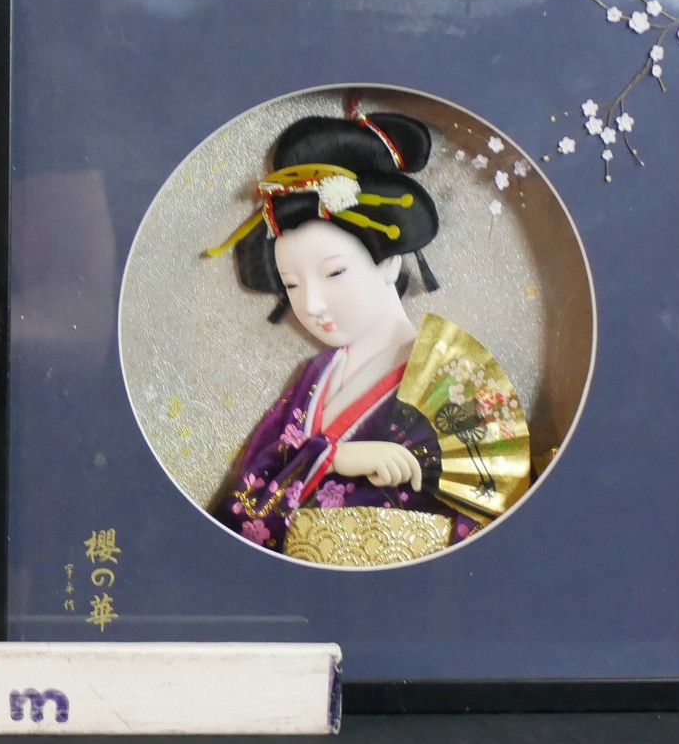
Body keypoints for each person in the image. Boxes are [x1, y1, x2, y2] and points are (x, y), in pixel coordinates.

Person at [205, 101, 522, 566]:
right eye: (292, 285)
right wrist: (331, 458)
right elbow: (253, 497)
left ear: (388, 262)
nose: (310, 305)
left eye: (333, 273)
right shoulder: (316, 377)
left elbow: (492, 510)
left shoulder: (458, 376)